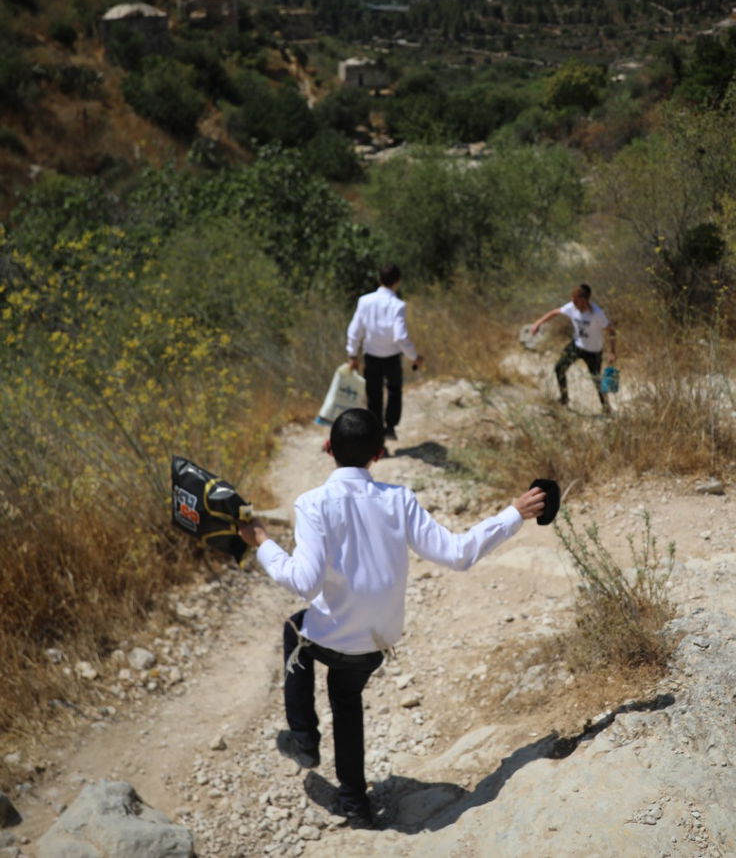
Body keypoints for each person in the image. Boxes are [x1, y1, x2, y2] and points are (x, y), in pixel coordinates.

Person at [238, 408, 546, 829]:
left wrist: (262, 542)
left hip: (331, 637)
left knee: (296, 630)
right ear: (379, 455)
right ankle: (356, 804)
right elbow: (458, 554)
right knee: (346, 700)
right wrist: (513, 512)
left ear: (328, 449)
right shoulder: (400, 501)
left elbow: (304, 582)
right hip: (376, 642)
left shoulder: (312, 504)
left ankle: (304, 739)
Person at [346, 264, 424, 441]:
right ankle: (390, 426)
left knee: (374, 396)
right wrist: (414, 356)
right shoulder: (398, 305)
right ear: (398, 282)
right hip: (391, 358)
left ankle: (377, 436)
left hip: (371, 356)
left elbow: (355, 329)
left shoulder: (364, 301)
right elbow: (400, 336)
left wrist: (352, 354)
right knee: (394, 390)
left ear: (379, 279)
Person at [530, 283, 618, 413]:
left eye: (576, 300)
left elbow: (612, 331)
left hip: (593, 352)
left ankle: (606, 408)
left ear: (584, 300)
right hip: (576, 346)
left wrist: (612, 352)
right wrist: (538, 323)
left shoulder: (597, 314)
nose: (573, 302)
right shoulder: (572, 307)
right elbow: (555, 312)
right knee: (559, 368)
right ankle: (564, 399)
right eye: (572, 299)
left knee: (597, 380)